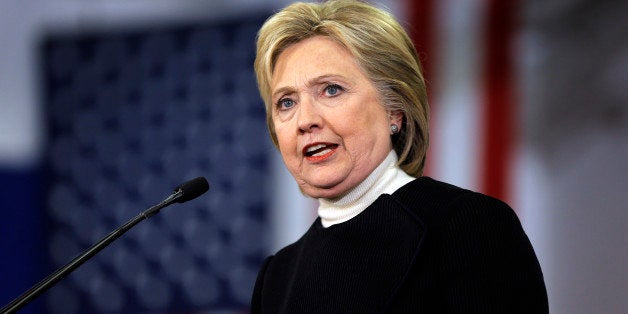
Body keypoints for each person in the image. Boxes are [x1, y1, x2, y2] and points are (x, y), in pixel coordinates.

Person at [250, 0, 548, 313]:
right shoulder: (277, 277)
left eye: (331, 90)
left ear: (394, 109)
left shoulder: (469, 227)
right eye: (286, 103)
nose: (304, 120)